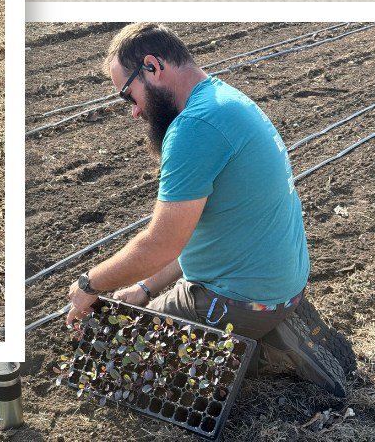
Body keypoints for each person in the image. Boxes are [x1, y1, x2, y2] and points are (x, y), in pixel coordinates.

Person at [64, 23, 355, 398]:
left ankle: (260, 353)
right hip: (280, 286)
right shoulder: (225, 101)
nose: (134, 111)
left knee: (110, 359)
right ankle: (268, 331)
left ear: (152, 67)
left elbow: (161, 243)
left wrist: (89, 284)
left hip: (236, 300)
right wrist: (144, 287)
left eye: (128, 95)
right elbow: (195, 235)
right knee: (145, 317)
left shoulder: (194, 127)